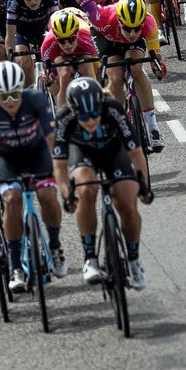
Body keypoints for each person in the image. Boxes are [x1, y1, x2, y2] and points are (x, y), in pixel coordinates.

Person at [0, 60, 67, 293]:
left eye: (15, 95)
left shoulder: (35, 98)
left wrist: (57, 166)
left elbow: (50, 137)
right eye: (3, 97)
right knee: (12, 199)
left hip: (36, 153)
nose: (10, 102)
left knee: (47, 194)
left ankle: (55, 246)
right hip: (6, 158)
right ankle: (15, 265)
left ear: (22, 90)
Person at [53, 76, 151, 290]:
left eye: (95, 113)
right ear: (73, 110)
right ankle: (90, 258)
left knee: (128, 203)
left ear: (101, 105)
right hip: (82, 154)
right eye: (84, 116)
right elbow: (59, 166)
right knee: (86, 190)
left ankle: (134, 260)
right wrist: (67, 193)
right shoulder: (64, 117)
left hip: (113, 152)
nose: (90, 120)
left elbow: (136, 153)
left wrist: (144, 185)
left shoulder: (113, 108)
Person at [71, 0, 166, 151]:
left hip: (132, 46)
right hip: (106, 38)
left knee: (136, 69)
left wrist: (157, 67)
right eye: (128, 28)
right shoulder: (101, 16)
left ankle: (153, 128)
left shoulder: (149, 23)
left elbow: (155, 57)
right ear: (120, 21)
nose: (132, 33)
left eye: (137, 29)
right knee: (114, 76)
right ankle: (119, 120)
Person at [3, 0, 60, 89]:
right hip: (23, 33)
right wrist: (10, 56)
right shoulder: (14, 0)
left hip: (44, 31)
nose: (32, 1)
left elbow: (57, 26)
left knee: (55, 61)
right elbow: (10, 33)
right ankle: (30, 94)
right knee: (23, 62)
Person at [41, 8, 99, 105]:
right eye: (62, 41)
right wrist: (50, 77)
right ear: (56, 38)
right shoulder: (48, 42)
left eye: (71, 39)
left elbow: (99, 60)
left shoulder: (87, 35)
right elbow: (48, 72)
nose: (67, 45)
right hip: (59, 52)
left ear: (76, 34)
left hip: (83, 45)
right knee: (64, 73)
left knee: (87, 66)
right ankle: (62, 115)